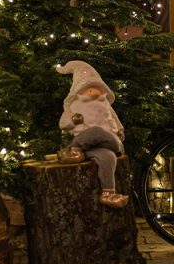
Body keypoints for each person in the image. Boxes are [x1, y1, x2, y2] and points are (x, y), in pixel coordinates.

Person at [55, 60, 129, 208]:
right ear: (78, 90)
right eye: (88, 87)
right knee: (108, 157)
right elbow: (63, 124)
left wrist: (120, 131)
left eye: (96, 87)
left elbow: (116, 122)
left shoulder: (106, 106)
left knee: (97, 131)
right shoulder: (74, 106)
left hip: (111, 141)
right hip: (89, 148)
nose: (92, 90)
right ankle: (108, 193)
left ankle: (72, 150)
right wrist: (74, 120)